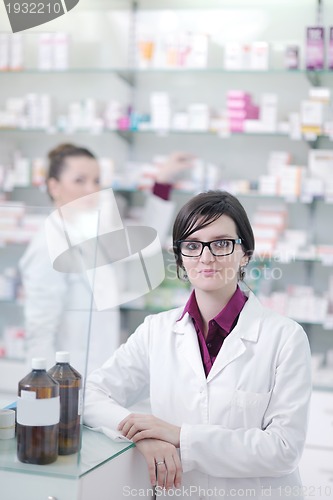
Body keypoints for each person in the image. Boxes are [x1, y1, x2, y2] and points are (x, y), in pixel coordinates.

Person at [83, 190, 312, 499]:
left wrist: (180, 437)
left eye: (221, 244)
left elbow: (284, 449)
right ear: (179, 256)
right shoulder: (156, 330)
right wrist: (143, 436)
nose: (206, 257)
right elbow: (90, 396)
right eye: (192, 245)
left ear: (246, 253)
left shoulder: (285, 337)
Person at [19, 143, 193, 374]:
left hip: (97, 375)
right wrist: (46, 397)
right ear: (54, 186)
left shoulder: (91, 234)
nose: (91, 189)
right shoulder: (47, 247)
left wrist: (163, 180)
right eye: (79, 180)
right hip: (66, 384)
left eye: (96, 180)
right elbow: (39, 333)